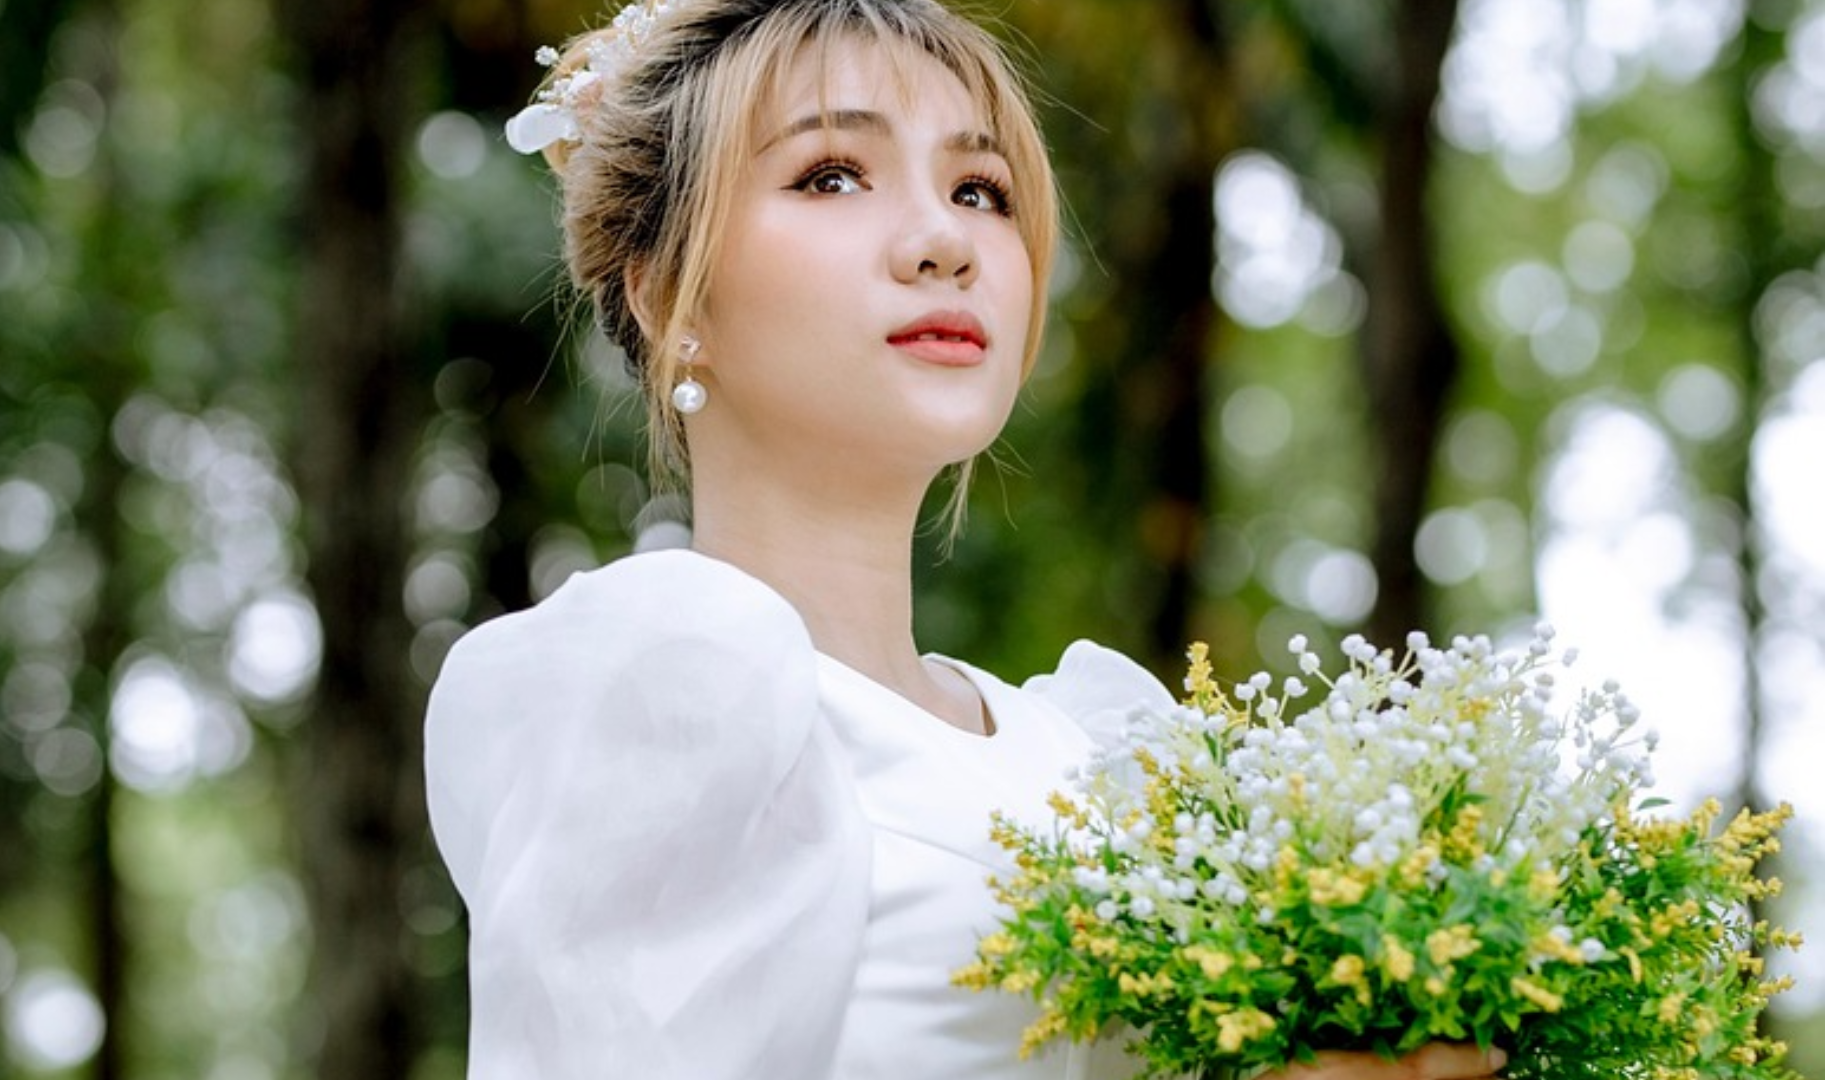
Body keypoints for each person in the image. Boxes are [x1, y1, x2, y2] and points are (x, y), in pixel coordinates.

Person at [424, 1, 1513, 1078]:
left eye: (979, 190)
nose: (945, 240)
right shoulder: (670, 682)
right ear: (667, 295)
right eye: (831, 175)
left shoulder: (1094, 755)